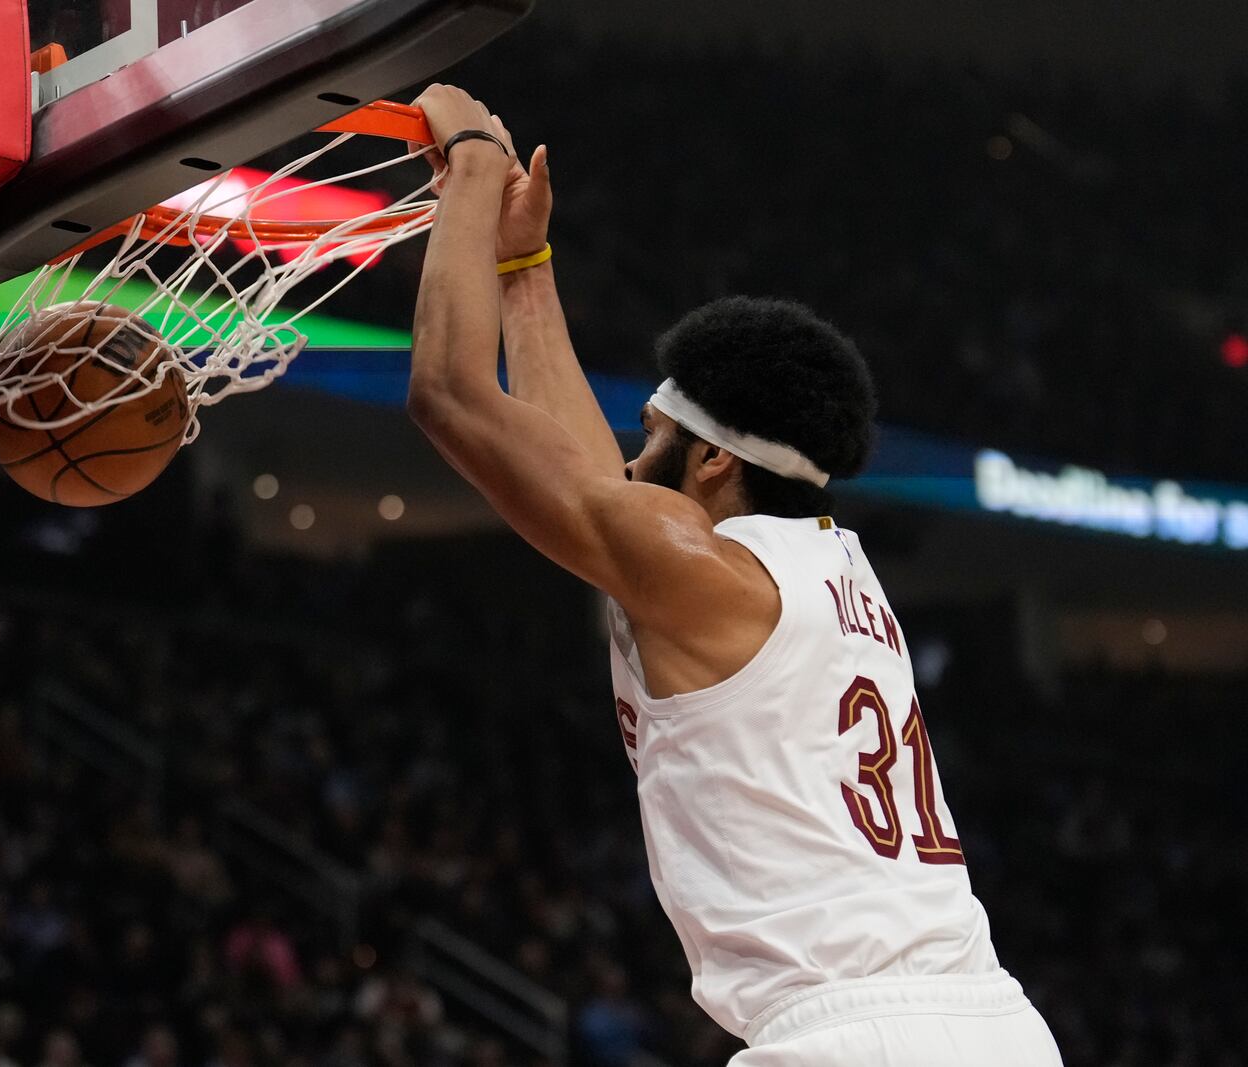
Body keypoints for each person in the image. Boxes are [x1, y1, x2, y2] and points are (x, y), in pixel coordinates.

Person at [404, 83, 1063, 1066]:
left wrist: (465, 160)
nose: (630, 458)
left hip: (850, 1035)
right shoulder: (825, 560)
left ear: (713, 460)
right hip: (992, 1021)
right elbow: (586, 479)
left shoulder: (695, 567)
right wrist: (522, 267)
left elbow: (449, 392)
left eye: (654, 435)